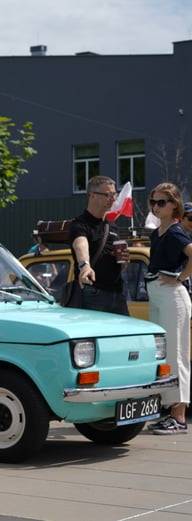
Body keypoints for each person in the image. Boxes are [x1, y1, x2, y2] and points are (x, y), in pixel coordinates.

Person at [144, 183, 192, 435]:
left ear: (174, 204)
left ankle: (179, 417)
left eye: (161, 202)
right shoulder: (158, 232)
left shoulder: (175, 231)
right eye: (153, 201)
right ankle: (171, 412)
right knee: (163, 356)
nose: (155, 206)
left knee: (177, 355)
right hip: (158, 295)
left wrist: (181, 277)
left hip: (173, 296)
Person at [68, 175, 129, 314]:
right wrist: (85, 265)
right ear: (92, 195)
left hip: (117, 293)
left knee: (122, 334)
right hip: (93, 292)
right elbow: (80, 244)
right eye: (108, 194)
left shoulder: (112, 227)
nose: (113, 199)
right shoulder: (79, 224)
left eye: (114, 194)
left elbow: (120, 267)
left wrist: (123, 261)